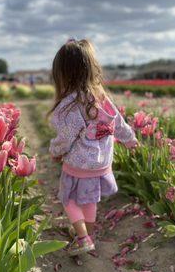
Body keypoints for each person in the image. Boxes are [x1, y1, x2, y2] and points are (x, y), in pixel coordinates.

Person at [49, 39, 138, 255]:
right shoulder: (102, 98)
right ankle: (88, 235)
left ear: (63, 74)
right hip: (100, 164)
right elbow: (118, 123)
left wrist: (55, 151)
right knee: (89, 199)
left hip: (78, 164)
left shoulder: (68, 105)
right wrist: (129, 140)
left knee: (68, 198)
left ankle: (82, 238)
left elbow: (65, 139)